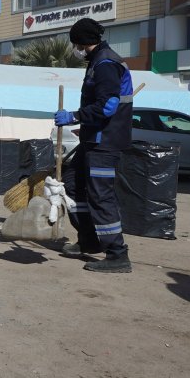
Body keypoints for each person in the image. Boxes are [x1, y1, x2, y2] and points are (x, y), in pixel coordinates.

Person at [55, 18, 134, 273]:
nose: (75, 48)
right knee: (73, 182)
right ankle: (89, 240)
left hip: (105, 143)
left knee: (101, 196)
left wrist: (75, 116)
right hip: (93, 138)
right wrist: (85, 127)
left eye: (75, 43)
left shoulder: (106, 64)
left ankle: (117, 254)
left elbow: (108, 106)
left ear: (81, 42)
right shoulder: (97, 61)